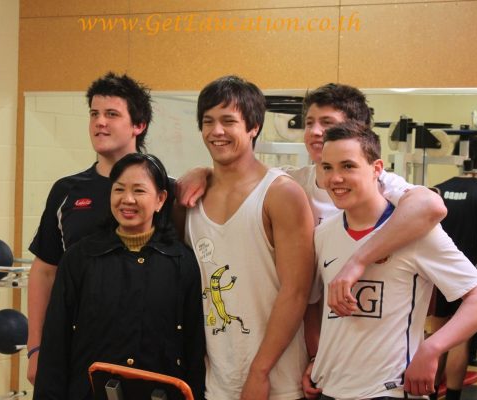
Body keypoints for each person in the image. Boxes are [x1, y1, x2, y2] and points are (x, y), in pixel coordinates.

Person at [177, 83, 447, 316]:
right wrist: (204, 173)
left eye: (327, 123)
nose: (315, 131)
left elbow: (432, 206)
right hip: (313, 322)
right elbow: (240, 175)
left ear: (356, 130)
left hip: (367, 317)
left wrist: (359, 261)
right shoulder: (290, 183)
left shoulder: (381, 184)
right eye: (309, 123)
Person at [302, 121, 477, 400]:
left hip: (390, 390)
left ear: (377, 169)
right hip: (330, 388)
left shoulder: (415, 232)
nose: (335, 178)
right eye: (327, 167)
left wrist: (432, 348)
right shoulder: (323, 234)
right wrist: (317, 357)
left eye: (348, 166)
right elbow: (314, 303)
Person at [181, 75, 315, 399]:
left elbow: (296, 292)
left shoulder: (281, 194)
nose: (217, 131)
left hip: (276, 383)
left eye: (229, 121)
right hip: (216, 382)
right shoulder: (189, 197)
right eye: (208, 121)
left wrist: (260, 371)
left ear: (253, 127)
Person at [33, 153, 205, 400]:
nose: (127, 199)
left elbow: (194, 347)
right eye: (119, 189)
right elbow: (55, 342)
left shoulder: (182, 262)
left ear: (160, 199)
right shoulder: (80, 258)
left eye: (139, 191)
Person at [26, 72, 153, 384]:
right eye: (94, 114)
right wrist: (35, 349)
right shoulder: (66, 191)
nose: (100, 123)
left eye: (112, 114)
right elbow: (44, 271)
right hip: (77, 345)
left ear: (138, 125)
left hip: (145, 349)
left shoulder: (164, 192)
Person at [429, 136, 477, 400]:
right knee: (460, 340)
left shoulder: (437, 190)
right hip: (469, 275)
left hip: (437, 275)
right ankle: (452, 397)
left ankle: (428, 394)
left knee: (436, 338)